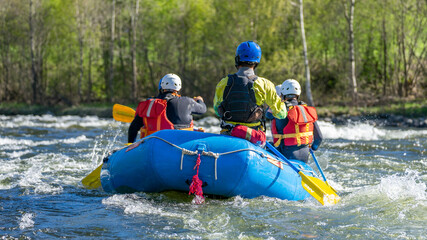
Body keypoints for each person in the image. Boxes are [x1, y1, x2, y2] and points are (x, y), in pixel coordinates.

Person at [213, 41, 287, 145]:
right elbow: (281, 114)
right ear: (257, 61)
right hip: (253, 138)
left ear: (237, 59)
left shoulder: (223, 82)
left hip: (228, 136)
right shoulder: (264, 84)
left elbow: (217, 110)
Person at [128, 73, 206, 143]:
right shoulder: (187, 102)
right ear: (179, 88)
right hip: (181, 145)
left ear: (162, 86)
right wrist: (199, 100)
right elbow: (203, 109)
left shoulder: (149, 105)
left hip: (154, 146)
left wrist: (130, 144)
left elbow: (133, 128)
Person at [269, 79, 323, 163]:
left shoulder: (281, 111)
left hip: (286, 156)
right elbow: (319, 137)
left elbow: (268, 115)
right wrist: (312, 149)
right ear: (298, 94)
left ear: (282, 94)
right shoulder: (307, 111)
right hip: (304, 156)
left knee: (268, 145)